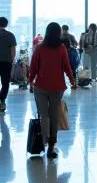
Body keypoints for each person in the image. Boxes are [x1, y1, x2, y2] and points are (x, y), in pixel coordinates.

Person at [28, 22, 77, 159]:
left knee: (44, 115)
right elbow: (67, 66)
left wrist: (31, 82)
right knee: (53, 115)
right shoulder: (61, 48)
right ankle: (51, 146)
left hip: (41, 86)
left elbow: (33, 67)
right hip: (57, 86)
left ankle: (44, 141)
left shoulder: (39, 48)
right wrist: (72, 81)